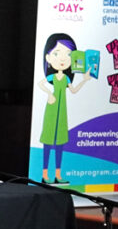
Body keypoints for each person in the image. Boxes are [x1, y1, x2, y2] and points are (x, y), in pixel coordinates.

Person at [37, 32, 92, 185]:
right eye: (56, 53)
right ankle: (45, 175)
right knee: (48, 141)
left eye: (68, 54)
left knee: (60, 142)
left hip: (62, 111)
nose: (63, 58)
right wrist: (49, 94)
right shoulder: (52, 77)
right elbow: (41, 84)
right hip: (52, 108)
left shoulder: (67, 78)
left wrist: (84, 80)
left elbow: (73, 90)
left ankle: (58, 175)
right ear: (48, 58)